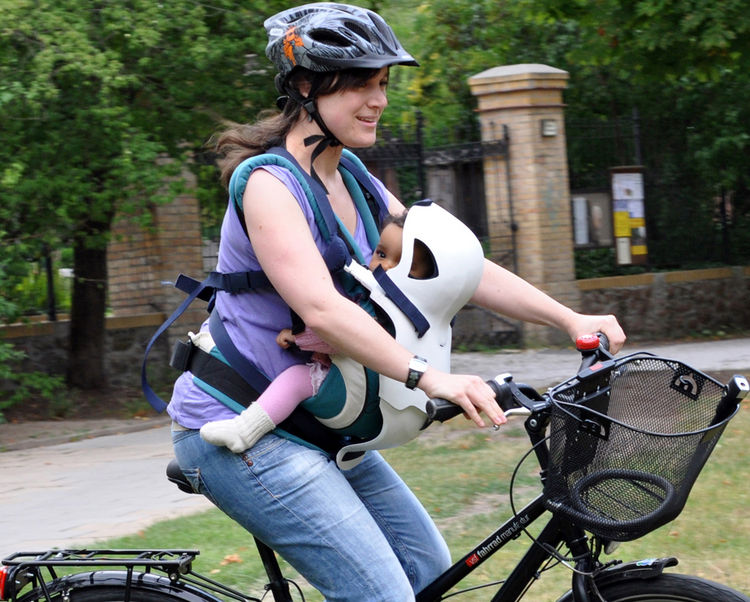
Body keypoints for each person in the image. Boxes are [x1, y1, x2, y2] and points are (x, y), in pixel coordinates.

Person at [167, 3, 626, 600]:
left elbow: (454, 264)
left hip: (324, 427)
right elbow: (323, 310)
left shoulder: (353, 176)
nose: (378, 99)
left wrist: (568, 318)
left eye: (382, 82)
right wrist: (431, 377)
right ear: (305, 86)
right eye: (359, 82)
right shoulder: (268, 185)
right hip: (246, 428)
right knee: (382, 595)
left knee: (428, 578)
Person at [198, 210, 432, 454]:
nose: (385, 266)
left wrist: (299, 338)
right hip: (370, 402)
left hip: (349, 401)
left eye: (404, 264)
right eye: (381, 254)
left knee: (297, 380)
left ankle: (243, 430)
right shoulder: (413, 309)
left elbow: (340, 337)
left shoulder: (386, 308)